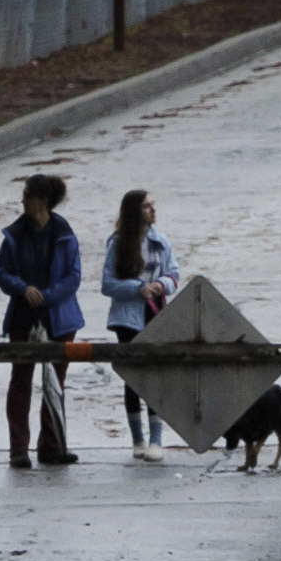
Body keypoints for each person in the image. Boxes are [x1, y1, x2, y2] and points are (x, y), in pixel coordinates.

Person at [0, 173, 86, 468]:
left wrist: (46, 296)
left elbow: (73, 277)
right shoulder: (15, 234)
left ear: (41, 200)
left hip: (59, 319)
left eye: (27, 194)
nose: (22, 200)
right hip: (23, 316)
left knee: (54, 383)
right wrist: (23, 289)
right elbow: (2, 272)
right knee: (21, 380)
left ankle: (52, 444)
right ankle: (18, 449)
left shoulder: (65, 233)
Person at [101, 189, 183, 453]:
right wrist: (137, 288)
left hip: (155, 313)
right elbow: (108, 284)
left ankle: (156, 440)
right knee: (133, 376)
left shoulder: (161, 242)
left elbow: (174, 273)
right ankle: (137, 440)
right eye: (147, 206)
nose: (153, 210)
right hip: (127, 318)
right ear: (134, 211)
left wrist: (161, 284)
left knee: (155, 374)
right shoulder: (117, 244)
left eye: (153, 205)